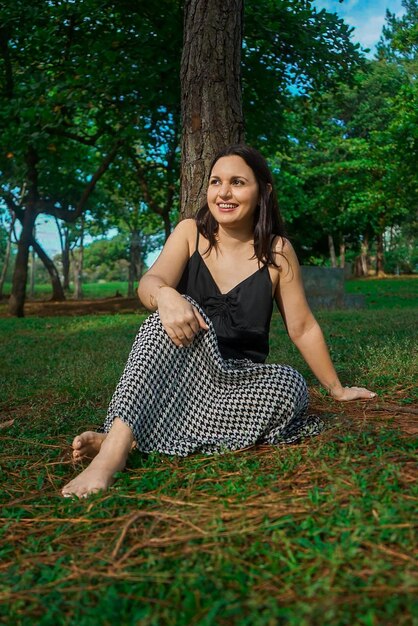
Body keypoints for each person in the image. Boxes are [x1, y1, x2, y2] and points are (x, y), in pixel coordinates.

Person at [62, 144, 375, 498]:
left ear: (263, 192)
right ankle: (113, 452)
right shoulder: (190, 233)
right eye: (216, 182)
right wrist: (166, 296)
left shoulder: (277, 251)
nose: (224, 193)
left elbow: (302, 326)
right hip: (181, 365)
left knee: (290, 386)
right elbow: (149, 283)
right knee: (156, 325)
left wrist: (337, 388)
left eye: (238, 182)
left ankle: (139, 435)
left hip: (238, 382)